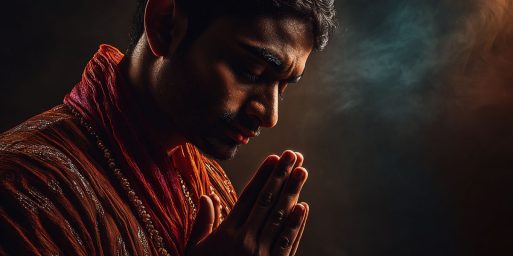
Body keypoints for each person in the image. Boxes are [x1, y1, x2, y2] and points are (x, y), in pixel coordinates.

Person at [0, 0, 336, 255]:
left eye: (283, 86)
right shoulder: (19, 188)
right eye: (251, 71)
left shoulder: (211, 184)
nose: (270, 115)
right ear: (166, 26)